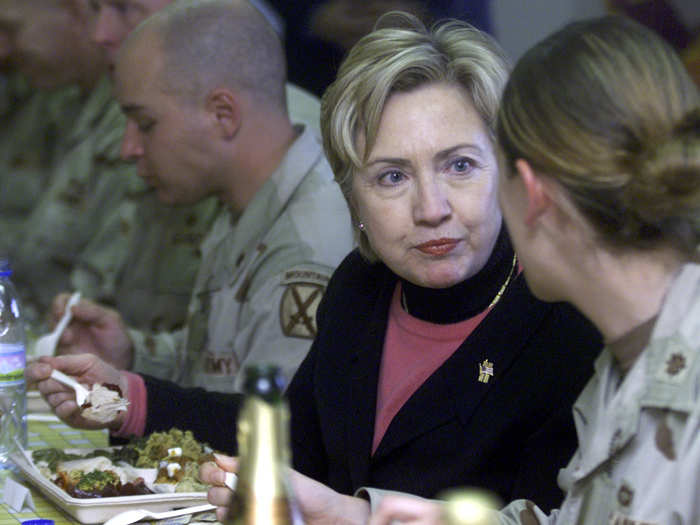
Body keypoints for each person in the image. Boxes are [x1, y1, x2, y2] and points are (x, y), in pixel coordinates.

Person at [202, 13, 602, 518]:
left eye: (459, 166)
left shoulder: (568, 323)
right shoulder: (357, 287)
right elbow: (290, 453)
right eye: (392, 177)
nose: (431, 208)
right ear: (354, 200)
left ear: (507, 170)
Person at [352, 14, 700, 525]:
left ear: (531, 194)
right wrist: (363, 517)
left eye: (467, 166)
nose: (434, 208)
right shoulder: (626, 357)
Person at [31, 0, 351, 443]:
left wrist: (128, 403)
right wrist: (132, 353)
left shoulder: (309, 241)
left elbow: (272, 438)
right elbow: (221, 364)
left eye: (145, 123)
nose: (129, 147)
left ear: (223, 115)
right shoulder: (245, 198)